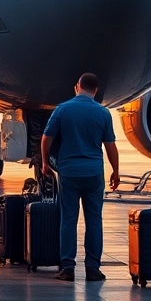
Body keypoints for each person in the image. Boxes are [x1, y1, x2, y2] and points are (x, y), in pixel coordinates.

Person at [41, 73, 120, 282]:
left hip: (69, 172)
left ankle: (67, 267)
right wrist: (116, 171)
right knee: (94, 220)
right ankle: (93, 268)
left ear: (77, 86)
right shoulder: (103, 113)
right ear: (95, 90)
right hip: (93, 173)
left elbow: (46, 139)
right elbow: (110, 146)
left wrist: (44, 163)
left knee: (68, 219)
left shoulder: (63, 109)